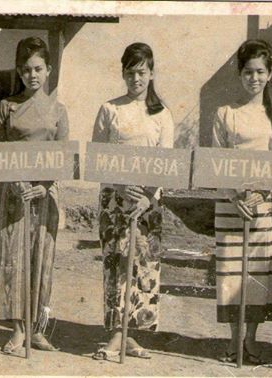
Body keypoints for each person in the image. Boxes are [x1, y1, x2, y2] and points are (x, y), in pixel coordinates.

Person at [0, 36, 69, 355]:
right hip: (13, 194)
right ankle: (18, 329)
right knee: (13, 260)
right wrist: (15, 180)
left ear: (48, 70)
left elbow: (63, 158)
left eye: (38, 69)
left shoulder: (59, 111)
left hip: (45, 196)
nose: (32, 75)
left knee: (41, 261)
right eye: (25, 70)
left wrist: (46, 186)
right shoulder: (7, 107)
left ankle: (37, 330)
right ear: (19, 72)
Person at [90, 42, 174, 361]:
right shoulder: (110, 109)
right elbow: (98, 159)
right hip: (115, 199)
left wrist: (149, 197)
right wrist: (122, 188)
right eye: (130, 72)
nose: (135, 79)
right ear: (122, 73)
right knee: (116, 266)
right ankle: (115, 335)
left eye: (141, 72)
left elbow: (167, 164)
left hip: (148, 204)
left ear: (151, 73)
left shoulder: (161, 114)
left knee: (143, 267)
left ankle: (133, 336)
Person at [212, 39, 272, 364]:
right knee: (231, 273)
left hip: (264, 208)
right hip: (232, 206)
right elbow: (217, 161)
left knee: (258, 273)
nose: (253, 78)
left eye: (260, 71)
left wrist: (258, 195)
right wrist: (233, 196)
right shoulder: (225, 114)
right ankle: (232, 340)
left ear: (270, 73)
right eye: (247, 72)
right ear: (239, 74)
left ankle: (252, 339)